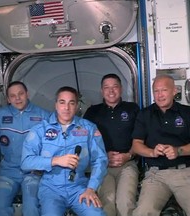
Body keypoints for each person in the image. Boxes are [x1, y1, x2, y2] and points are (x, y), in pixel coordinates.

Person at [21, 86, 108, 216]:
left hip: (79, 188)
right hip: (51, 189)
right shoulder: (40, 130)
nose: (66, 108)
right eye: (62, 102)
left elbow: (100, 160)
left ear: (77, 105)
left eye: (71, 103)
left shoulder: (88, 128)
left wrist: (91, 188)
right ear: (56, 104)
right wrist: (55, 161)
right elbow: (26, 162)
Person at [0, 81, 50, 216]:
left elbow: (53, 144)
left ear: (27, 94)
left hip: (33, 172)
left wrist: (43, 166)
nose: (18, 98)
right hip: (7, 171)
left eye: (21, 94)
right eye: (13, 96)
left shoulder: (43, 116)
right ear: (8, 99)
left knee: (31, 208)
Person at [132, 75, 190, 215]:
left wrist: (178, 151)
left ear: (174, 91)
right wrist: (152, 152)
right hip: (155, 174)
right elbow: (136, 145)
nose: (160, 95)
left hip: (184, 172)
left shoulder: (187, 112)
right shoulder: (145, 114)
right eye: (156, 91)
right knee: (142, 213)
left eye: (164, 90)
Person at [83, 73, 140, 216]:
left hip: (127, 164)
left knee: (125, 201)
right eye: (106, 88)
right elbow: (85, 141)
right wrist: (103, 156)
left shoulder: (133, 109)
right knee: (107, 201)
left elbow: (141, 139)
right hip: (102, 165)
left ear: (121, 89)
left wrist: (128, 155)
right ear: (102, 91)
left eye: (115, 87)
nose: (111, 91)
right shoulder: (92, 112)